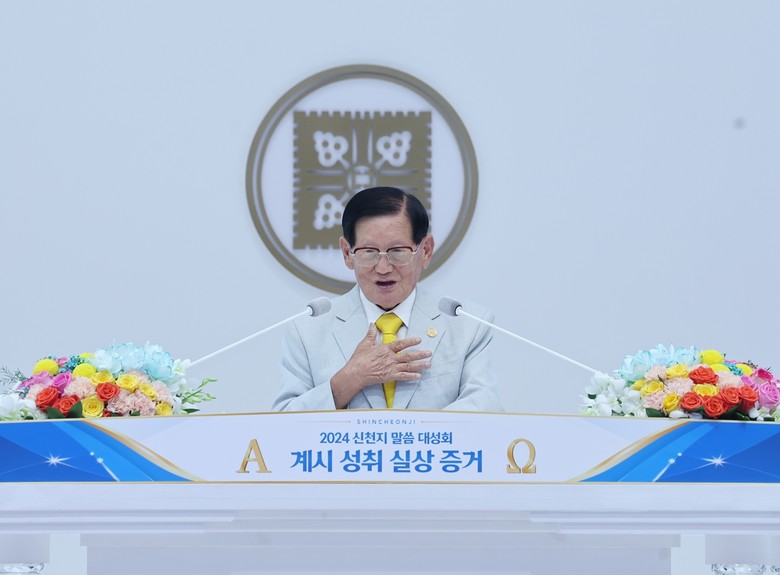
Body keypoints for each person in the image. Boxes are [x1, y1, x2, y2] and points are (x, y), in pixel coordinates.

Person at [271, 186, 502, 412]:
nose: (383, 268)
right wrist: (351, 378)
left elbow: (484, 409)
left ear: (426, 251)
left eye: (397, 251)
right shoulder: (307, 330)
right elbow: (283, 423)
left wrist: (411, 435)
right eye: (369, 252)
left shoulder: (468, 325)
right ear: (347, 253)